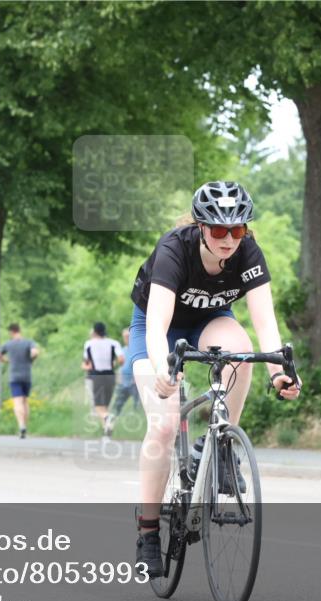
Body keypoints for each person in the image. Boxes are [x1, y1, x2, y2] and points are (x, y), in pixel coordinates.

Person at [126, 182, 301, 577]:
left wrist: (280, 375)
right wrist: (162, 371)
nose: (228, 240)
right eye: (218, 231)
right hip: (159, 329)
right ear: (200, 226)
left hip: (211, 322)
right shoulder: (175, 248)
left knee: (240, 351)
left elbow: (265, 323)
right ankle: (149, 531)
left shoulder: (249, 253)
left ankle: (219, 442)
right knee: (165, 423)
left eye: (236, 230)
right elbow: (156, 326)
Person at [0, 323, 39, 439]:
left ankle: (21, 426)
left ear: (11, 332)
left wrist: (7, 361)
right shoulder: (29, 342)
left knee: (17, 402)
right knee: (25, 401)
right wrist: (31, 360)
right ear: (20, 331)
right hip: (27, 375)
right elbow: (35, 352)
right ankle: (25, 426)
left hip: (14, 376)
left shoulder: (8, 344)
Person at [82, 322, 123, 435]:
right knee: (105, 404)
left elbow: (86, 361)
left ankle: (107, 417)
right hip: (110, 375)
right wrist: (113, 363)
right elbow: (121, 360)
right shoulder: (114, 343)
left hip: (96, 375)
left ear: (94, 331)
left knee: (98, 405)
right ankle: (107, 428)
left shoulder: (89, 344)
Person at [106, 327, 141, 435]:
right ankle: (109, 427)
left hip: (135, 384)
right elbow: (120, 366)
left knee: (138, 406)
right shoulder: (122, 350)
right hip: (123, 384)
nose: (126, 338)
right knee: (117, 406)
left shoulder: (138, 348)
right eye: (125, 336)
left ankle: (139, 429)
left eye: (128, 336)